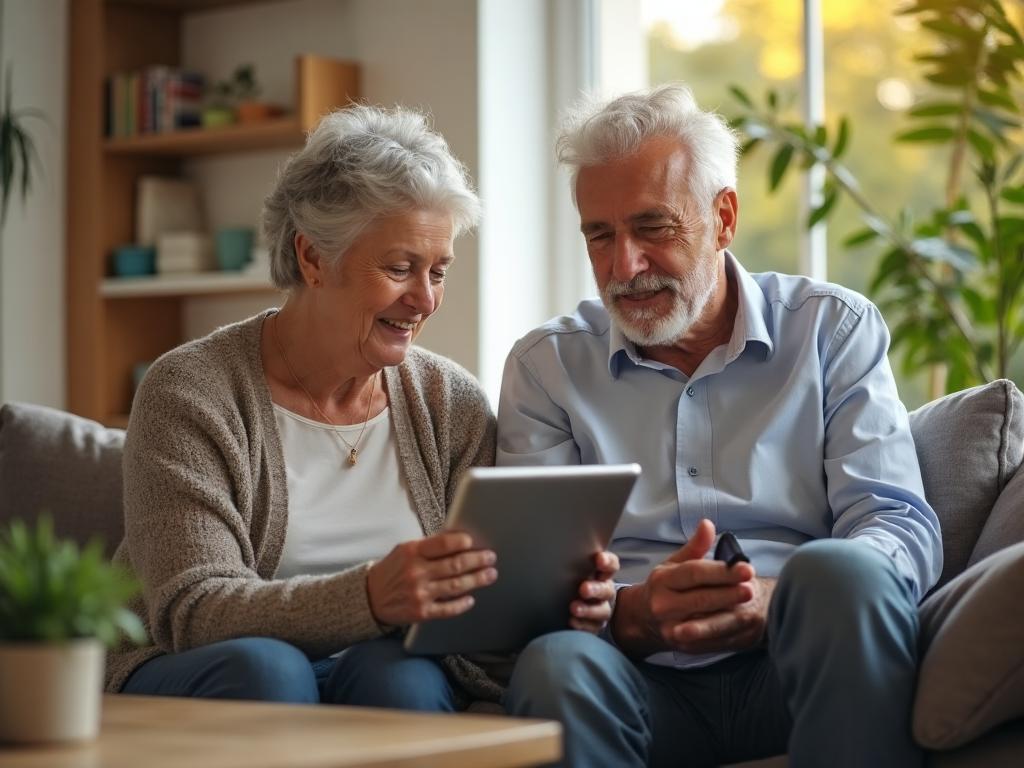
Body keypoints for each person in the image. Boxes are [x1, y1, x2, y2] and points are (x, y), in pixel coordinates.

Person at [106, 104, 618, 711]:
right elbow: (192, 610)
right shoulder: (190, 391)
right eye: (399, 268)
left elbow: (475, 626)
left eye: (438, 270)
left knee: (402, 675)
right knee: (270, 670)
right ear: (313, 258)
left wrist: (556, 603)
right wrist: (371, 598)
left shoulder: (449, 403)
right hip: (201, 668)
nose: (424, 299)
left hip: (368, 668)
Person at [496, 84, 943, 767]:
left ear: (723, 217)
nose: (625, 267)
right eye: (600, 235)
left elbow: (896, 524)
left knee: (845, 575)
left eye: (653, 227)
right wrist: (633, 613)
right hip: (640, 683)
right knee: (557, 664)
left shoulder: (832, 328)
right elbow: (537, 588)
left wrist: (781, 600)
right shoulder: (546, 366)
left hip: (800, 667)